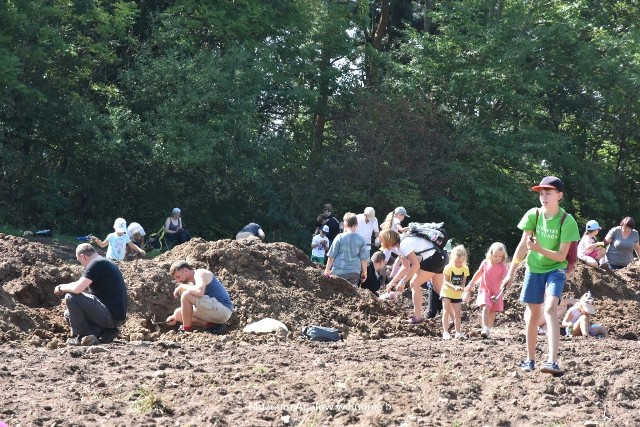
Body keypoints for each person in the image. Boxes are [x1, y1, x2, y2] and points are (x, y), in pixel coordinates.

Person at [501, 176, 580, 376]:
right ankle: (530, 359)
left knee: (552, 307)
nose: (543, 197)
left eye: (549, 193)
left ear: (559, 196)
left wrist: (538, 248)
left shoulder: (567, 221)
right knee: (533, 314)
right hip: (534, 268)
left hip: (556, 268)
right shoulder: (533, 215)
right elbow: (522, 246)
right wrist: (511, 272)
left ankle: (552, 361)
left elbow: (562, 255)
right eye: (541, 193)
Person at [53, 243, 127, 345]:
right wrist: (65, 286)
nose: (82, 265)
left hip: (110, 316)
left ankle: (83, 337)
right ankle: (105, 332)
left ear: (83, 256)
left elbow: (77, 289)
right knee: (68, 314)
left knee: (71, 297)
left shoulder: (96, 264)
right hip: (113, 316)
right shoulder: (103, 262)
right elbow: (79, 283)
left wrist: (60, 287)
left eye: (80, 261)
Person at [380, 228, 449, 324]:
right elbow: (405, 266)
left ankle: (417, 317)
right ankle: (453, 317)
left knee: (414, 284)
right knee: (439, 289)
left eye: (382, 241)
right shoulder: (401, 244)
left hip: (434, 259)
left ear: (388, 241)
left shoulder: (404, 245)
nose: (382, 244)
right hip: (441, 256)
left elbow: (416, 265)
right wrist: (393, 282)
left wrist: (403, 282)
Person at [166, 260, 234, 334]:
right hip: (213, 311)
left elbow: (200, 292)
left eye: (178, 277)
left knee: (186, 295)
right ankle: (213, 326)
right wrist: (174, 317)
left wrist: (183, 286)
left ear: (185, 270)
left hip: (223, 309)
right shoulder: (192, 283)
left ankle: (185, 330)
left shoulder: (200, 273)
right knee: (178, 314)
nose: (178, 280)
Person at [464, 242, 508, 339]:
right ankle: (485, 327)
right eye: (495, 255)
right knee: (486, 307)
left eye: (500, 256)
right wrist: (471, 283)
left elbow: (506, 278)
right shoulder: (485, 263)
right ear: (491, 253)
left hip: (496, 292)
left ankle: (488, 329)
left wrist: (506, 283)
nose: (497, 258)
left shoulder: (502, 266)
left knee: (492, 311)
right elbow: (478, 273)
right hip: (485, 290)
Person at [324, 212, 368, 287]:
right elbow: (363, 259)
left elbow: (332, 255)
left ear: (344, 225)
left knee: (338, 291)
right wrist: (364, 273)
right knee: (352, 293)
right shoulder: (361, 239)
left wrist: (327, 269)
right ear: (357, 225)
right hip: (354, 271)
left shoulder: (339, 237)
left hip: (339, 271)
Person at [442, 245, 470, 339]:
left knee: (458, 313)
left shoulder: (465, 268)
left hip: (457, 294)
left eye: (460, 262)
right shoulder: (448, 267)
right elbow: (445, 281)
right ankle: (445, 332)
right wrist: (454, 287)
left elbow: (463, 282)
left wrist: (462, 288)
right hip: (446, 292)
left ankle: (458, 332)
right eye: (456, 262)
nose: (458, 264)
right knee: (446, 311)